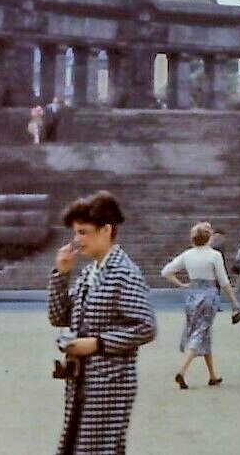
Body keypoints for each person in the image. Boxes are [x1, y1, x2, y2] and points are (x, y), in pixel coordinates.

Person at [48, 191, 157, 455]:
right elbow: (58, 317)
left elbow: (146, 327)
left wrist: (97, 344)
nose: (77, 241)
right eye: (76, 233)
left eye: (83, 232)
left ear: (106, 230)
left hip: (110, 384)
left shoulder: (124, 273)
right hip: (83, 381)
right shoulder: (90, 272)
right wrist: (61, 275)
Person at [162, 221, 240, 388]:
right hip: (209, 296)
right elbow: (224, 282)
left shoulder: (187, 255)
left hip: (192, 296)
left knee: (203, 332)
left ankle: (213, 375)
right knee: (201, 332)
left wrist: (182, 284)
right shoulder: (214, 255)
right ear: (208, 238)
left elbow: (166, 272)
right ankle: (182, 371)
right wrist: (235, 304)